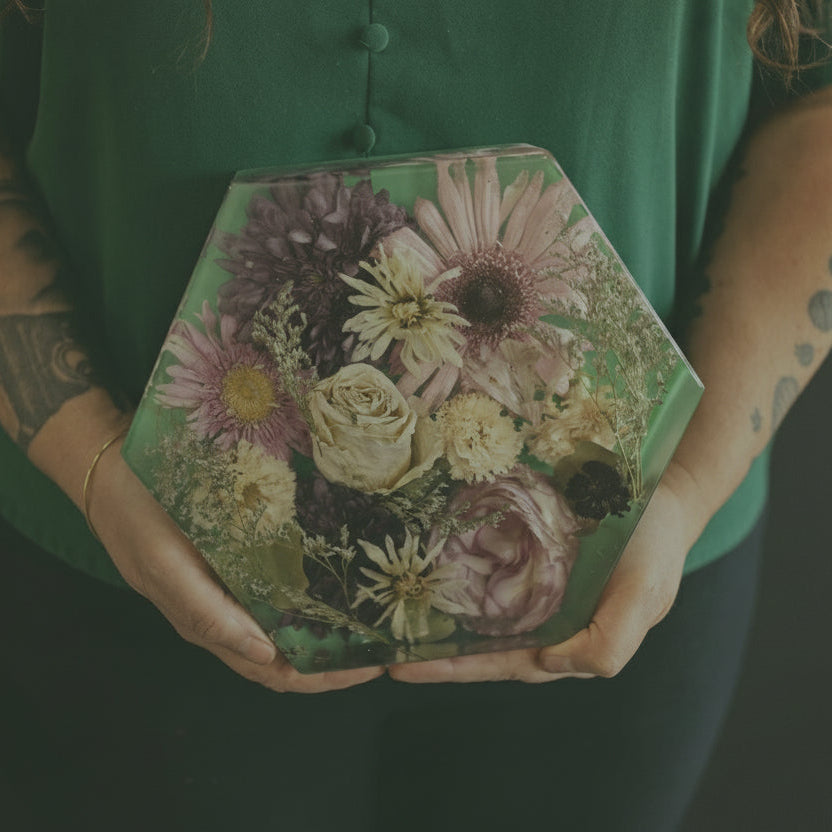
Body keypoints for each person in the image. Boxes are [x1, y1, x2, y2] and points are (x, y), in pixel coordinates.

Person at [1, 2, 830, 829]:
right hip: (122, 568)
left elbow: (817, 104)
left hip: (622, 577)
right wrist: (92, 460)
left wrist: (684, 487)